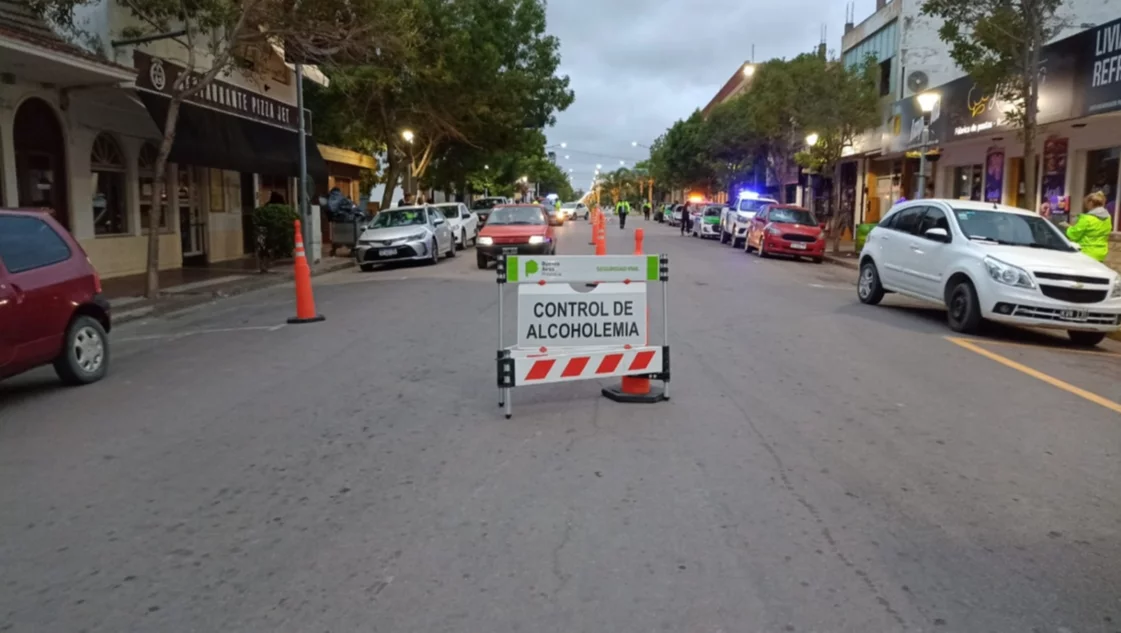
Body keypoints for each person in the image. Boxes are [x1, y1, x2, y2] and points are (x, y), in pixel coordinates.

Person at [1064, 191, 1112, 262]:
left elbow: (1074, 235)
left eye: (1086, 204)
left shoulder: (1086, 219)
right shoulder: (1108, 218)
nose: (1086, 206)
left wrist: (1068, 227)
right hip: (1101, 253)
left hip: (1086, 253)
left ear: (1090, 203)